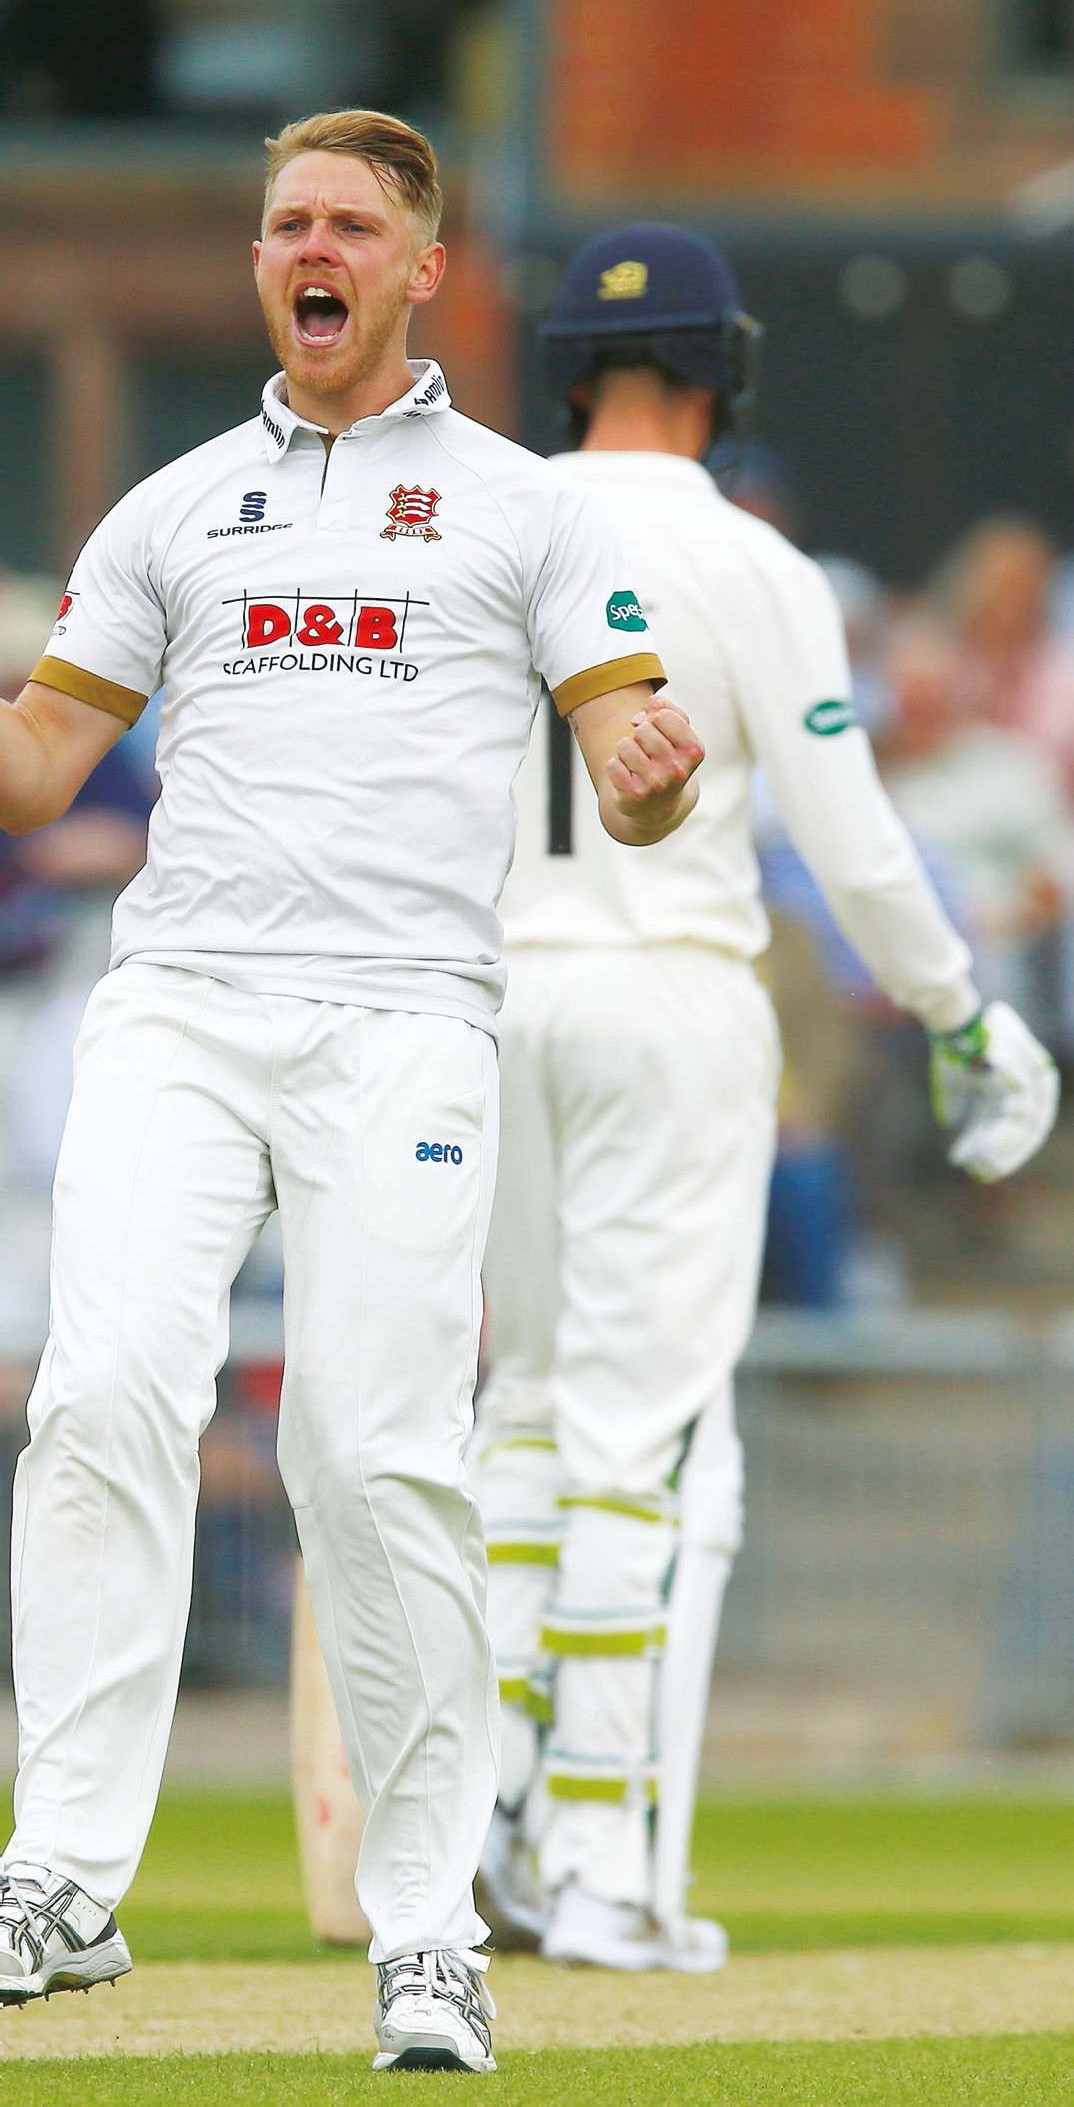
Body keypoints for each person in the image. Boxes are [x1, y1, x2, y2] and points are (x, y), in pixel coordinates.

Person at [0, 114, 706, 2073]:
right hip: (180, 1004)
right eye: (283, 225)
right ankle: (59, 1874)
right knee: (102, 1395)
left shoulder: (523, 509)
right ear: (260, 264)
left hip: (404, 1017)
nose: (308, 249)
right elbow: (43, 759)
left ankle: (426, 1931)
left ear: (419, 267)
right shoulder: (172, 509)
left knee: (374, 1452)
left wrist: (654, 774)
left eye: (347, 226)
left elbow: (628, 743)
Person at [471, 222, 1059, 1971]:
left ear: (567, 370)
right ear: (721, 375)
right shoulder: (749, 561)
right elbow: (853, 844)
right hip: (666, 993)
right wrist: (960, 1012)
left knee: (521, 1417)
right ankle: (605, 1864)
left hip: (490, 1001)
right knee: (645, 1439)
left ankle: (485, 1818)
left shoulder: (483, 533)